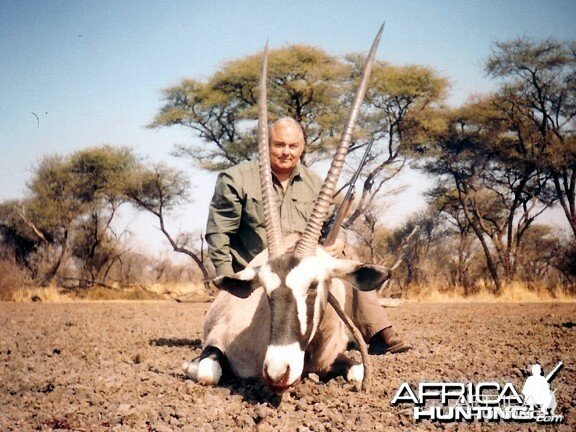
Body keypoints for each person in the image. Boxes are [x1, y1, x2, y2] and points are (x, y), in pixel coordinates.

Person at [205, 117, 411, 354]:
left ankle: (378, 333)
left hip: (300, 270)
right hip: (264, 272)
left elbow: (332, 222)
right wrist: (229, 287)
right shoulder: (236, 179)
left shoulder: (315, 183)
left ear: (302, 148)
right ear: (266, 146)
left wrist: (340, 237)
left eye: (293, 146)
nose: (286, 152)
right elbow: (218, 234)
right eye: (279, 145)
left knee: (344, 253)